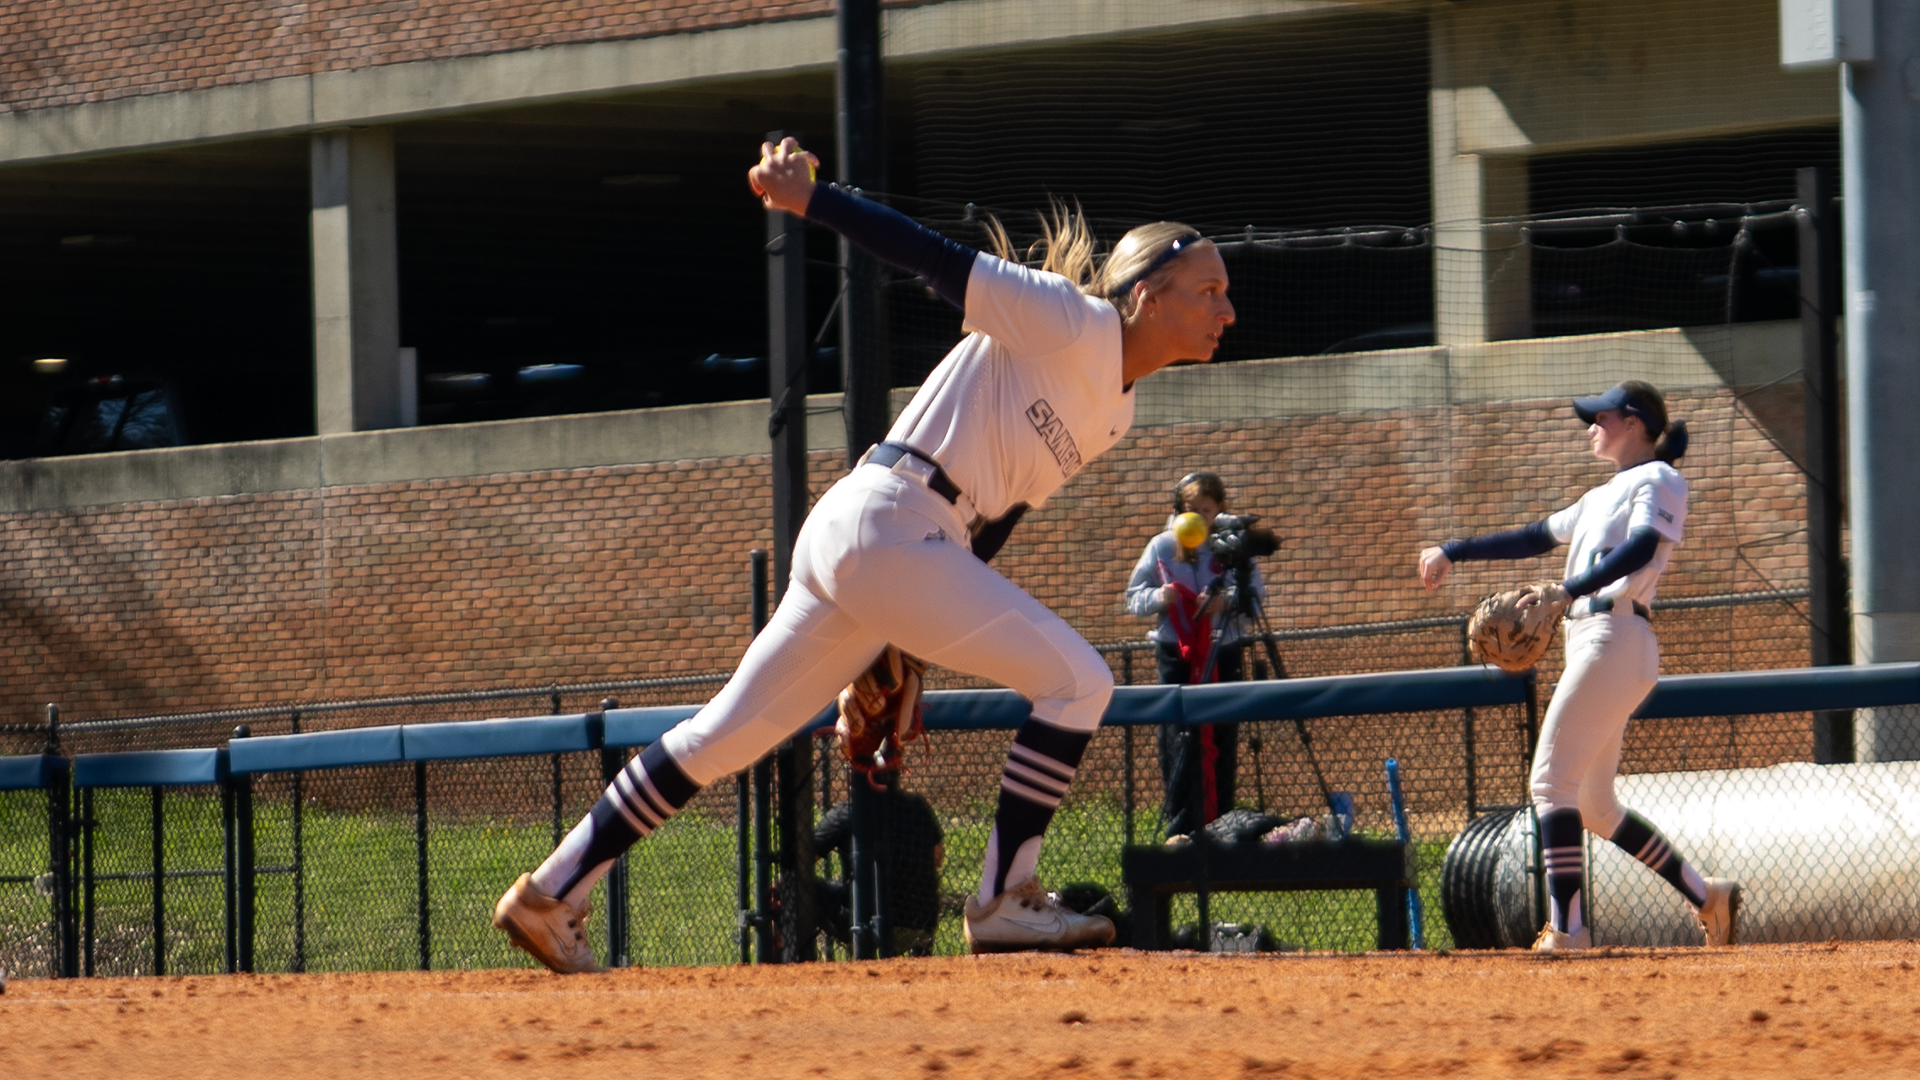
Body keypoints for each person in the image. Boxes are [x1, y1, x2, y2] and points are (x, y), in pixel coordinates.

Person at [490, 136, 1236, 970]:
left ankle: (550, 894)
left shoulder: (1115, 413)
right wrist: (812, 199)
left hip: (894, 541)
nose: (1227, 310)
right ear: (1146, 295)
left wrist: (901, 649)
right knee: (1080, 682)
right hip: (890, 517)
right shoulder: (1069, 319)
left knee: (723, 735)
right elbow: (935, 259)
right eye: (1209, 289)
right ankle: (1003, 901)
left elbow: (997, 517)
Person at [1416, 380, 1740, 951]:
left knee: (1549, 782)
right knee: (1593, 804)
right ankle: (1707, 894)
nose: (1592, 426)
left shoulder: (1660, 478)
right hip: (1593, 639)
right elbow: (1532, 537)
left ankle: (1569, 930)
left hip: (1616, 635)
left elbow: (1642, 547)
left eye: (1602, 417)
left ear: (1634, 423)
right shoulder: (1598, 496)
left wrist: (1567, 590)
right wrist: (1454, 550)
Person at [1125, 470, 1266, 837]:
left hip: (1225, 650)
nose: (1200, 517)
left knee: (1223, 737)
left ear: (1219, 509)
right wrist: (1159, 597)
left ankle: (1222, 826)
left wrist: (1227, 601)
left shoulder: (1231, 546)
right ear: (1179, 510)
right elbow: (1133, 597)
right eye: (1192, 509)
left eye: (1207, 509)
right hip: (1177, 654)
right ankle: (1181, 829)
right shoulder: (1162, 547)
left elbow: (1255, 597)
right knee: (1180, 738)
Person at [812, 769, 945, 957]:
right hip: (920, 922)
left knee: (789, 886)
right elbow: (937, 858)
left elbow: (803, 859)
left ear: (853, 776)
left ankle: (794, 961)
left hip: (865, 923)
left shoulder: (847, 812)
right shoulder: (918, 807)